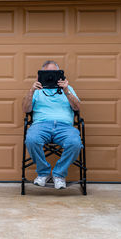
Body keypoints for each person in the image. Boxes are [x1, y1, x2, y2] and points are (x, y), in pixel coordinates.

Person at [22, 60, 82, 189]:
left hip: (64, 126)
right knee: (32, 140)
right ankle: (43, 173)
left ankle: (59, 174)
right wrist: (32, 90)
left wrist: (66, 90)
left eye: (54, 73)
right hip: (41, 125)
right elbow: (26, 109)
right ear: (40, 75)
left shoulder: (68, 88)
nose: (50, 76)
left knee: (75, 143)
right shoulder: (37, 90)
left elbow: (77, 107)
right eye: (47, 73)